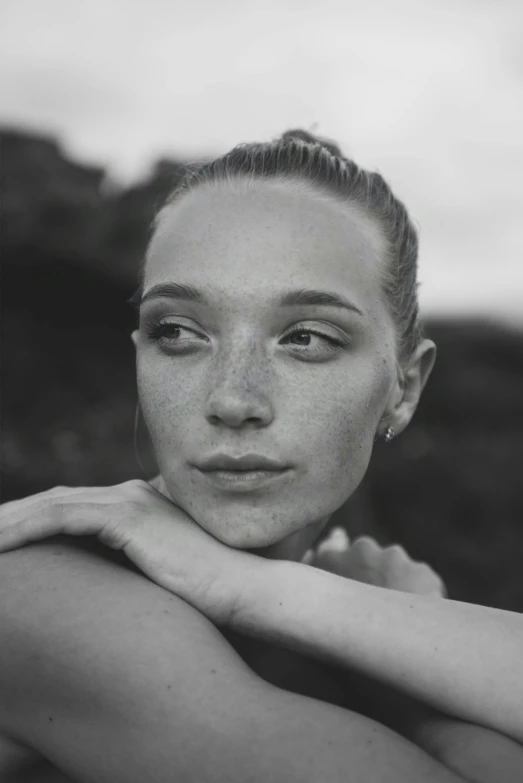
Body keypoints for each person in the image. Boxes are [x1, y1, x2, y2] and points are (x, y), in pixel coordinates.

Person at [1, 129, 522, 783]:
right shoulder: (48, 597)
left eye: (305, 337)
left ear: (403, 388)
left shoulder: (324, 625)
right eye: (179, 332)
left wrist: (277, 595)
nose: (232, 398)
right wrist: (414, 683)